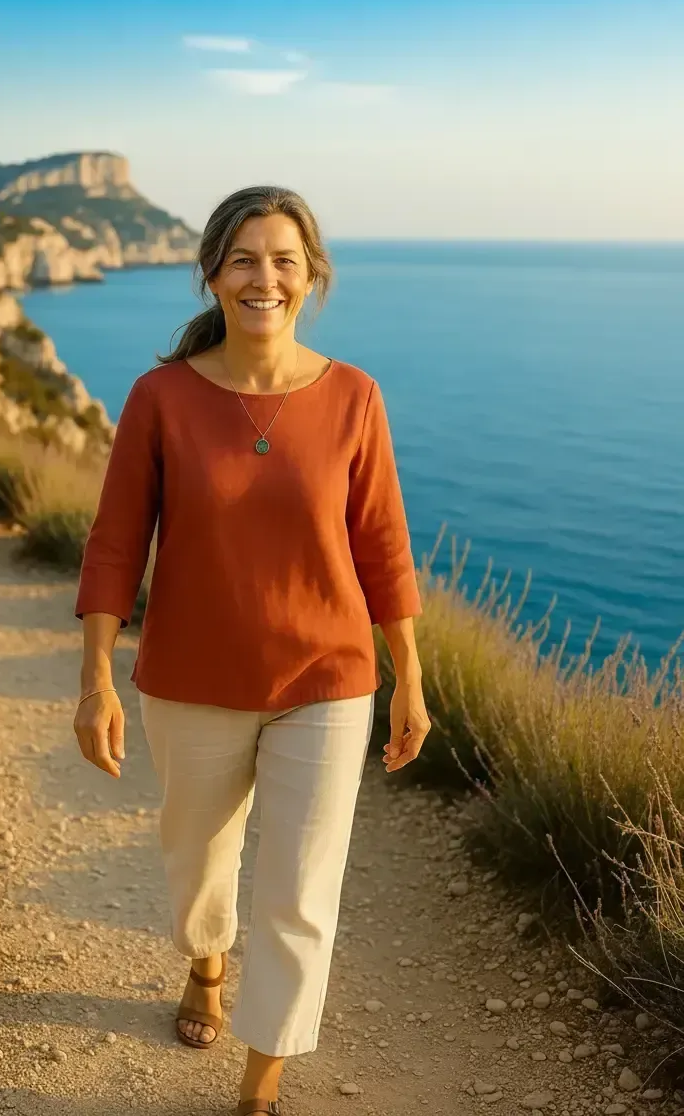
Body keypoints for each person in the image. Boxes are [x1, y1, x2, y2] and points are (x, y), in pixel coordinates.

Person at [73, 185, 430, 1116]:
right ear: (213, 275)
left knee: (301, 894)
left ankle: (259, 1089)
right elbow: (116, 542)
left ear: (312, 275)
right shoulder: (161, 398)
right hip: (191, 678)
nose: (263, 277)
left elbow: (382, 544)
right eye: (243, 258)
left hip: (329, 678)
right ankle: (206, 962)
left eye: (283, 258)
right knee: (199, 863)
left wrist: (410, 678)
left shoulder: (355, 396)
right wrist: (95, 680)